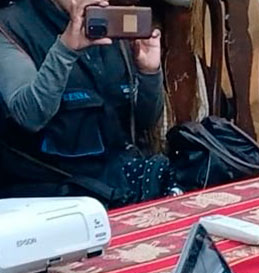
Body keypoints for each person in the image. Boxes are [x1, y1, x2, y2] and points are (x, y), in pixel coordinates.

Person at [0, 0, 172, 206]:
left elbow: (144, 120)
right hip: (55, 197)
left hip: (123, 183)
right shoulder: (11, 28)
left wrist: (149, 73)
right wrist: (65, 50)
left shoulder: (108, 20)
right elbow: (30, 115)